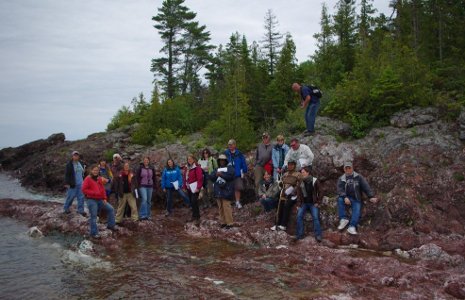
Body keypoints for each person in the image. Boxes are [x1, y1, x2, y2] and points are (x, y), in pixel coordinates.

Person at [336, 161, 378, 235]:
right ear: (344, 169)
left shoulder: (359, 177)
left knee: (357, 210)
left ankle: (352, 226)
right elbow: (340, 189)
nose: (348, 170)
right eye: (346, 168)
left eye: (349, 168)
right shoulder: (341, 178)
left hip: (356, 198)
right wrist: (345, 197)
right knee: (339, 199)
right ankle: (343, 219)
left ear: (352, 168)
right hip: (346, 197)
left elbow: (366, 187)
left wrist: (371, 196)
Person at [81, 164, 116, 238]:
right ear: (91, 171)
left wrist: (104, 198)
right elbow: (84, 189)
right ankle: (94, 233)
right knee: (93, 216)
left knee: (111, 209)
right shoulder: (88, 179)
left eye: (97, 170)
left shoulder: (99, 178)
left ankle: (111, 226)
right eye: (94, 170)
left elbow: (102, 189)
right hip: (91, 200)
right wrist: (94, 193)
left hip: (100, 199)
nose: (95, 171)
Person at [271, 160, 302, 231]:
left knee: (287, 205)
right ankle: (277, 224)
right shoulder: (285, 174)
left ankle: (283, 225)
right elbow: (281, 183)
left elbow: (299, 185)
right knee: (279, 204)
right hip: (283, 192)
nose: (290, 166)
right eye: (289, 165)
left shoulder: (298, 174)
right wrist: (280, 185)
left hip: (293, 194)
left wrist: (292, 191)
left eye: (291, 165)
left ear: (294, 166)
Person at [295, 166, 322, 242]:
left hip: (313, 203)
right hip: (304, 203)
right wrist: (298, 204)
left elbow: (321, 192)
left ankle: (318, 235)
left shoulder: (314, 181)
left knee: (316, 217)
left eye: (303, 172)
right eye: (301, 172)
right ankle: (300, 235)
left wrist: (318, 202)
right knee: (299, 216)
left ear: (307, 173)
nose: (301, 174)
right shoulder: (300, 181)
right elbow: (299, 194)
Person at [209, 154, 235, 229]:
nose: (221, 161)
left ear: (226, 161)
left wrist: (221, 174)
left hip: (227, 190)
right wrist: (216, 175)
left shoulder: (230, 168)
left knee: (226, 206)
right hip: (218, 190)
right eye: (220, 160)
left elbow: (231, 176)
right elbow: (211, 177)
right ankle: (223, 222)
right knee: (220, 207)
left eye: (223, 160)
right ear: (218, 161)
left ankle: (230, 223)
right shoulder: (216, 169)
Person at [224, 139, 248, 209]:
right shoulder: (225, 153)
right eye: (229, 145)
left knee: (238, 187)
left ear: (235, 145)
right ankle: (228, 203)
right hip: (228, 174)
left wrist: (244, 171)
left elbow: (243, 162)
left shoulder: (239, 153)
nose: (230, 146)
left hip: (237, 173)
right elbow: (221, 162)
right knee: (228, 188)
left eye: (231, 145)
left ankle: (237, 202)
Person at [63, 150, 86, 216]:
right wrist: (66, 183)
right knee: (71, 196)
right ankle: (66, 208)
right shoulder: (69, 164)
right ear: (72, 156)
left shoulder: (81, 163)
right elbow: (67, 174)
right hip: (72, 183)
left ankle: (81, 210)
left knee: (81, 197)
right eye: (74, 155)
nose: (76, 156)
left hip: (81, 183)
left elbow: (84, 173)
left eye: (77, 155)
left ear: (79, 156)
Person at [183, 154, 203, 225]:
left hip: (195, 188)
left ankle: (197, 217)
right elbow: (184, 177)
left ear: (194, 159)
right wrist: (184, 187)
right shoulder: (186, 168)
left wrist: (198, 188)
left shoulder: (197, 167)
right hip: (189, 187)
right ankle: (194, 216)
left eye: (190, 159)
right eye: (188, 159)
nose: (189, 160)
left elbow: (200, 178)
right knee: (192, 202)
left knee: (194, 201)